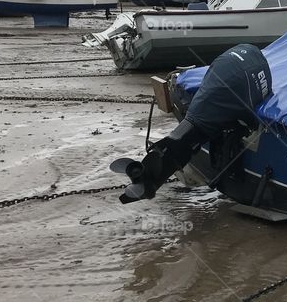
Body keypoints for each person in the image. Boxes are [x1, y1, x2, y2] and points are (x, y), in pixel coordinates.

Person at [116, 44, 271, 203]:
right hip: (223, 89)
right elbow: (250, 119)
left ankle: (148, 179)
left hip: (215, 96)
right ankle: (148, 180)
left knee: (186, 138)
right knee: (188, 139)